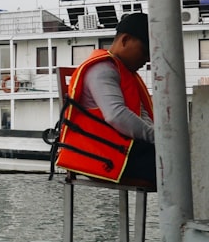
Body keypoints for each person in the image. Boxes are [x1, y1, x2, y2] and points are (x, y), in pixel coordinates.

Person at [53, 12, 155, 185]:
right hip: (106, 156)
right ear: (125, 40)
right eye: (145, 51)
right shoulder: (102, 69)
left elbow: (142, 115)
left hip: (122, 150)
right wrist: (160, 139)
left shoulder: (124, 73)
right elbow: (116, 115)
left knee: (191, 159)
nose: (148, 59)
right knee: (184, 166)